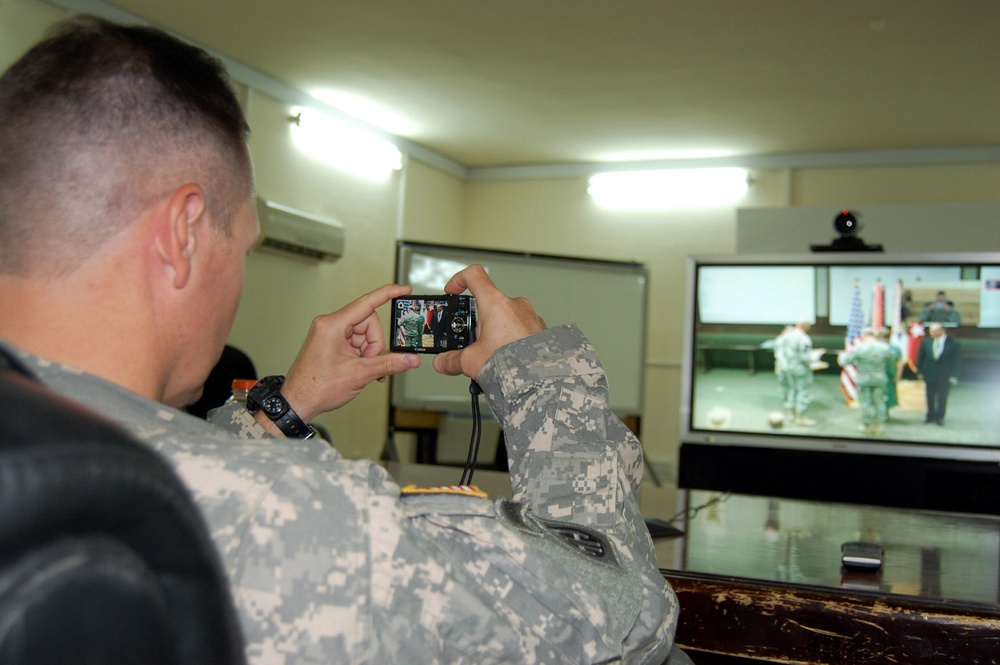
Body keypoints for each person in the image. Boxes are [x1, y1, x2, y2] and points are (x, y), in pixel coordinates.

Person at [0, 16, 680, 665]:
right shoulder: (301, 518)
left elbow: (166, 457)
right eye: (242, 245)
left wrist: (285, 408)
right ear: (183, 234)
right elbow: (625, 619)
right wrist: (538, 375)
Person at [837, 328, 894, 435]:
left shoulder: (859, 348)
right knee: (879, 402)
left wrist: (841, 355)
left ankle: (867, 425)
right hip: (880, 379)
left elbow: (844, 361)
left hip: (864, 379)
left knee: (865, 403)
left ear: (864, 335)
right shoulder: (884, 348)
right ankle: (879, 426)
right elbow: (891, 364)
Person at [916, 322, 962, 426]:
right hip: (929, 374)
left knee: (942, 397)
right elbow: (920, 358)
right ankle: (930, 416)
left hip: (945, 375)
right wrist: (920, 371)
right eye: (930, 331)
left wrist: (954, 375)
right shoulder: (926, 342)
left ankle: (940, 417)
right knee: (929, 396)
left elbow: (957, 360)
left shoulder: (953, 343)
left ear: (941, 331)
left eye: (934, 331)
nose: (931, 333)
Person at [782, 321, 817, 426]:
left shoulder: (787, 336)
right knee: (803, 391)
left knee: (792, 390)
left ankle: (791, 414)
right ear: (806, 327)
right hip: (800, 369)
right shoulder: (803, 338)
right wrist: (814, 358)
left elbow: (782, 351)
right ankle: (800, 417)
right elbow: (805, 356)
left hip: (789, 367)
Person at [874, 328, 904, 416]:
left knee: (889, 395)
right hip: (877, 375)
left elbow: (899, 363)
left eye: (886, 337)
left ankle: (886, 413)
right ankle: (878, 413)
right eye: (881, 337)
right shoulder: (874, 348)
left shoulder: (895, 349)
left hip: (890, 375)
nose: (884, 339)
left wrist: (898, 375)